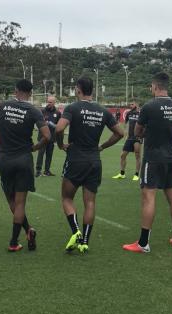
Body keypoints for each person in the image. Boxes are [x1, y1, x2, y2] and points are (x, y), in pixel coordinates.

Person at [56, 77, 124, 254]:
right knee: (90, 202)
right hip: (94, 161)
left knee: (67, 198)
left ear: (78, 90)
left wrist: (60, 144)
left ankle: (76, 231)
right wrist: (101, 146)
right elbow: (120, 133)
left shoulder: (73, 108)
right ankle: (85, 241)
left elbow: (58, 128)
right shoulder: (103, 110)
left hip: (76, 159)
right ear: (92, 90)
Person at [122, 72, 172, 253]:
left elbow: (138, 131)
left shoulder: (149, 106)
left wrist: (145, 132)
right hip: (171, 157)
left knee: (148, 197)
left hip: (153, 158)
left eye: (151, 87)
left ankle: (143, 243)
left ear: (155, 87)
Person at [0, 79, 51, 252]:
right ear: (30, 93)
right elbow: (47, 136)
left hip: (5, 158)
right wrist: (35, 147)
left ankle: (23, 235)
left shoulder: (3, 106)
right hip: (24, 159)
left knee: (11, 200)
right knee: (20, 203)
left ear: (15, 90)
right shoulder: (33, 110)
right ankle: (18, 238)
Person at [112, 101, 141, 181]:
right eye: (130, 104)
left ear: (136, 104)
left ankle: (136, 174)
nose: (130, 105)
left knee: (137, 156)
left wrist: (141, 136)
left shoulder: (141, 114)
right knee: (123, 155)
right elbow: (126, 124)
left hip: (137, 138)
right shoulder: (129, 113)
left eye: (132, 104)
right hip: (130, 138)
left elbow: (144, 125)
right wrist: (125, 133)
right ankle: (122, 174)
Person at [36, 96, 61, 177]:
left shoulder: (57, 113)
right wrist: (43, 124)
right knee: (41, 153)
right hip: (42, 137)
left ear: (54, 103)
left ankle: (47, 171)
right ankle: (38, 171)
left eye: (50, 102)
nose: (49, 103)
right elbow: (38, 123)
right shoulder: (42, 111)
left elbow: (59, 126)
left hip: (52, 137)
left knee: (49, 154)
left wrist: (51, 124)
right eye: (48, 102)